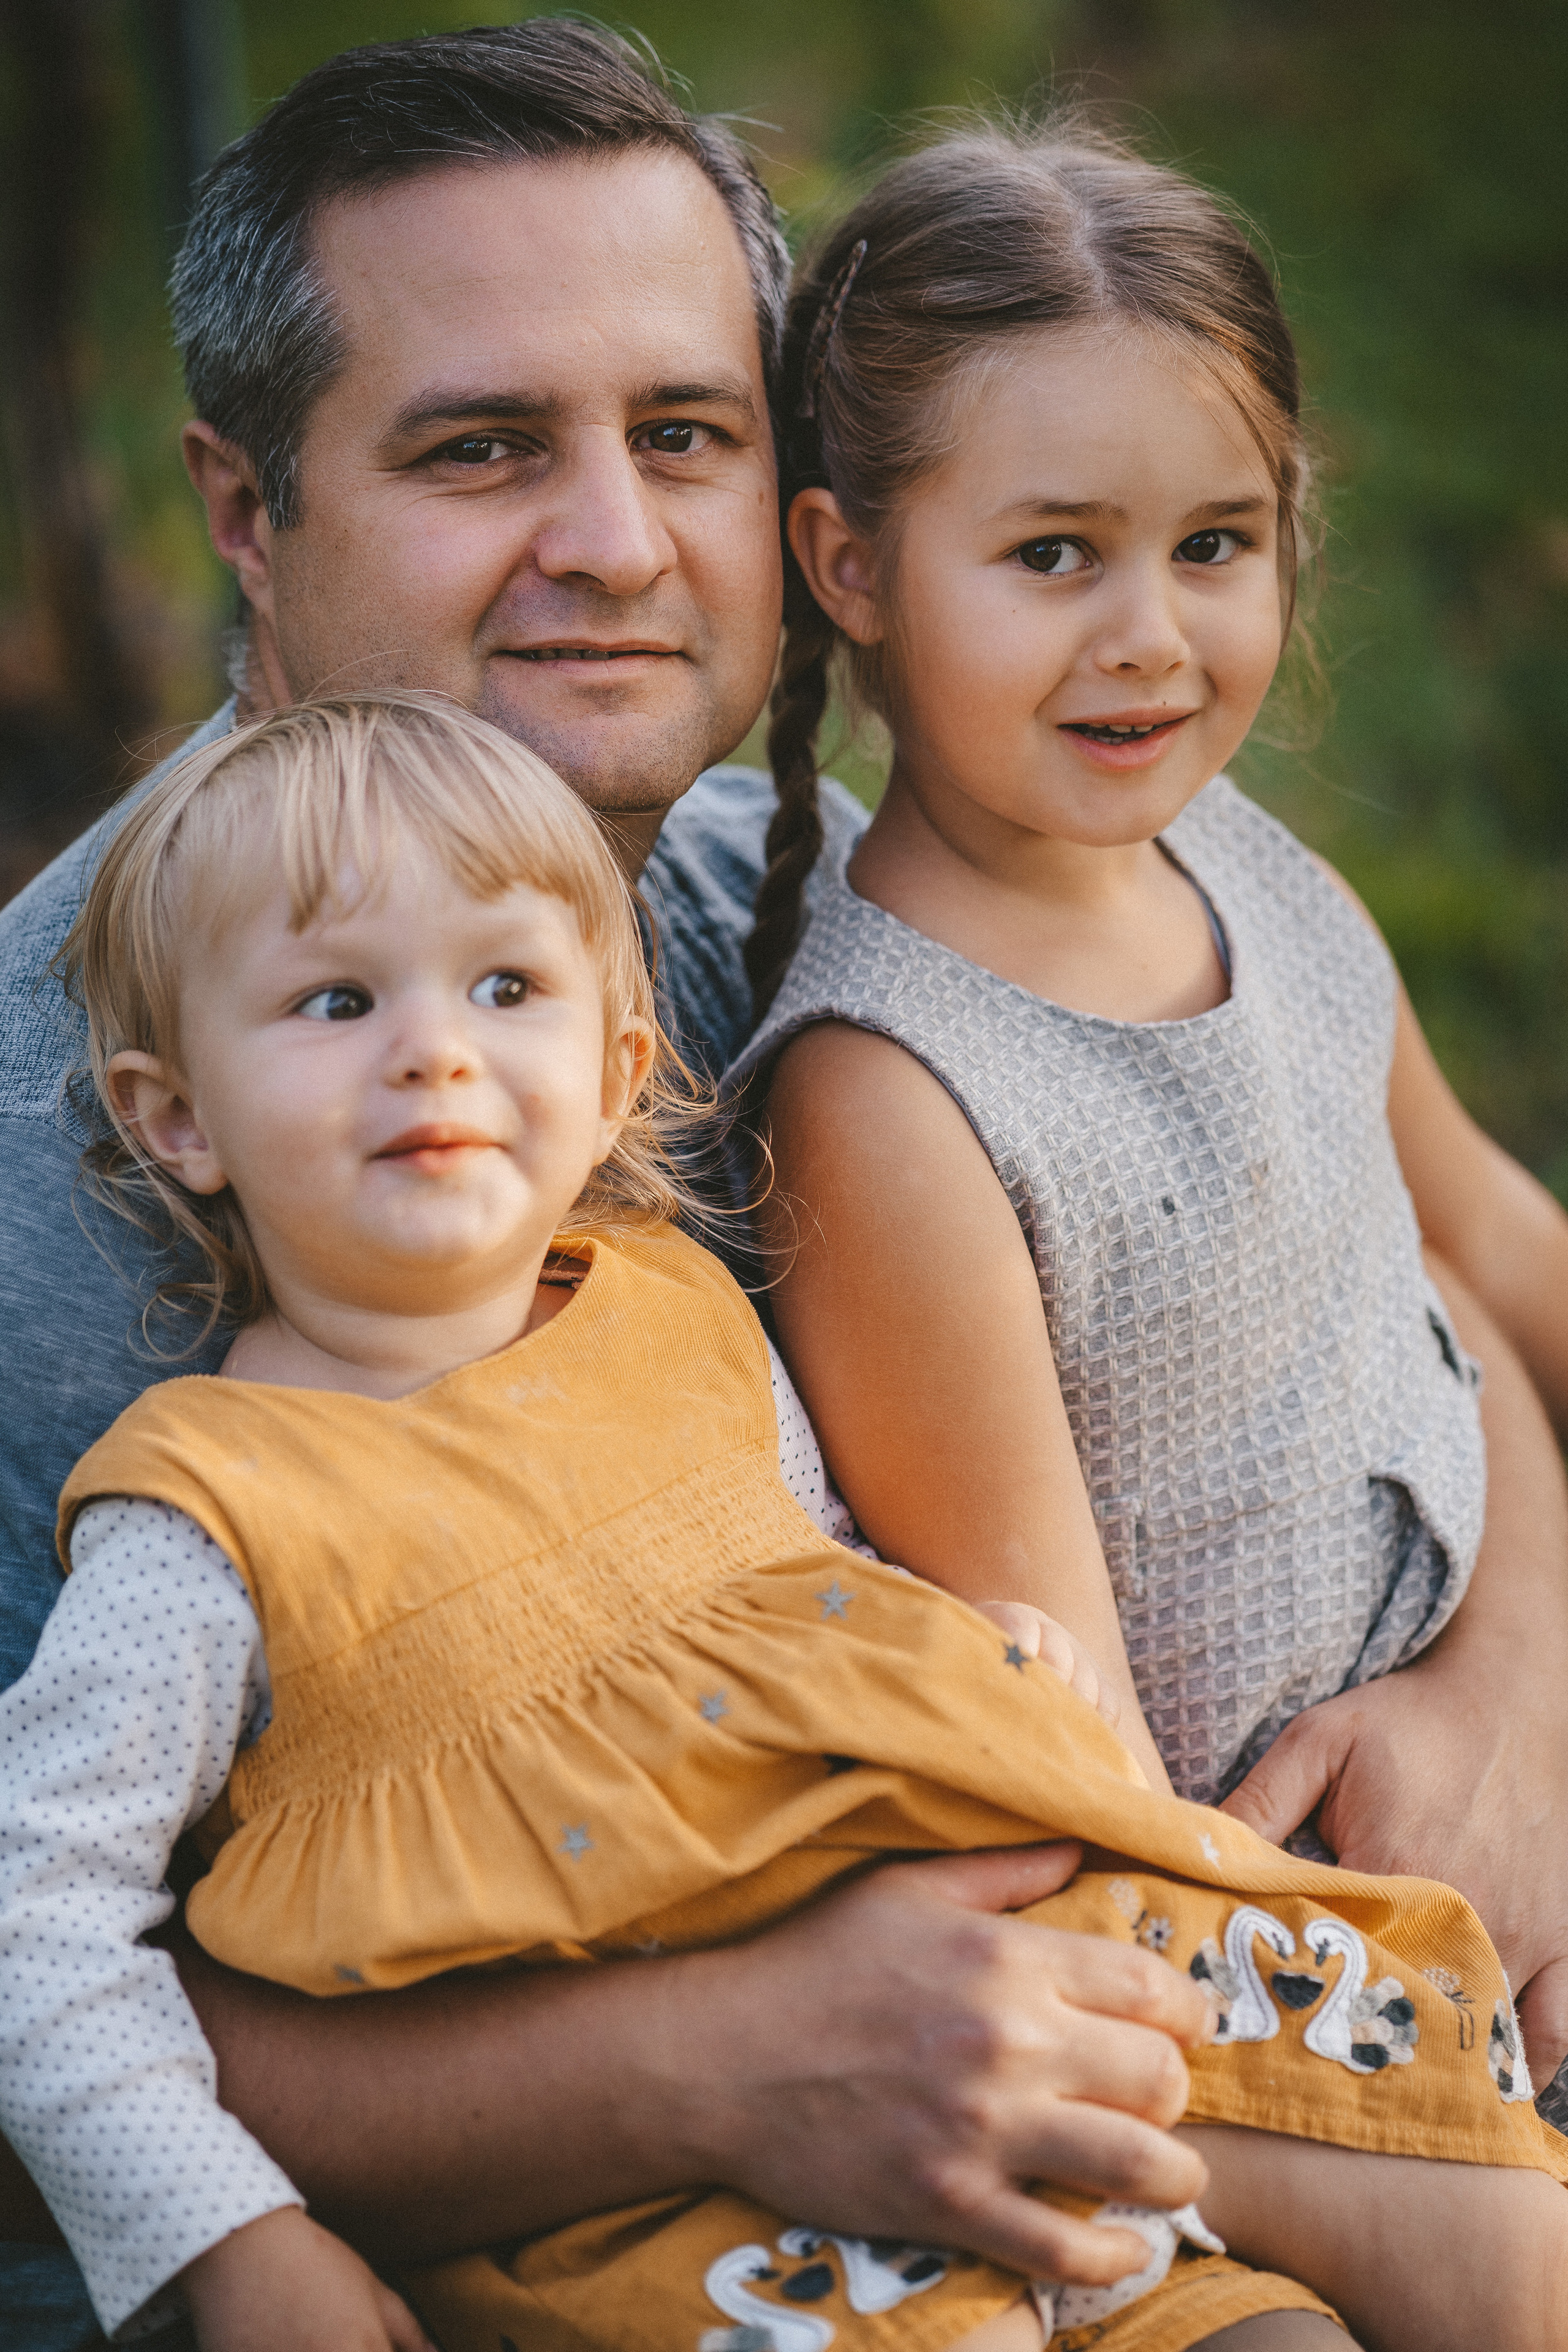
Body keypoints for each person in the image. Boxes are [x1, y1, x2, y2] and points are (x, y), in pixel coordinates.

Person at [0, 20, 1561, 2347]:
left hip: (1175, 1993)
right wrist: (718, 2062)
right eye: (481, 447)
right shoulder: (70, 1140)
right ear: (247, 507)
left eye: (684, 434)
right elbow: (46, 1971)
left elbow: (1391, 1254)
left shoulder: (839, 870)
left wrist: (1515, 1697)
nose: (615, 543)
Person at [731, 120, 1568, 1934]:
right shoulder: (891, 1095)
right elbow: (1078, 1755)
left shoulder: (1254, 873)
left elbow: (1493, 1241)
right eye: (1054, 554)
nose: (1151, 636)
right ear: (849, 564)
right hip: (1321, 1940)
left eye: (1213, 545)